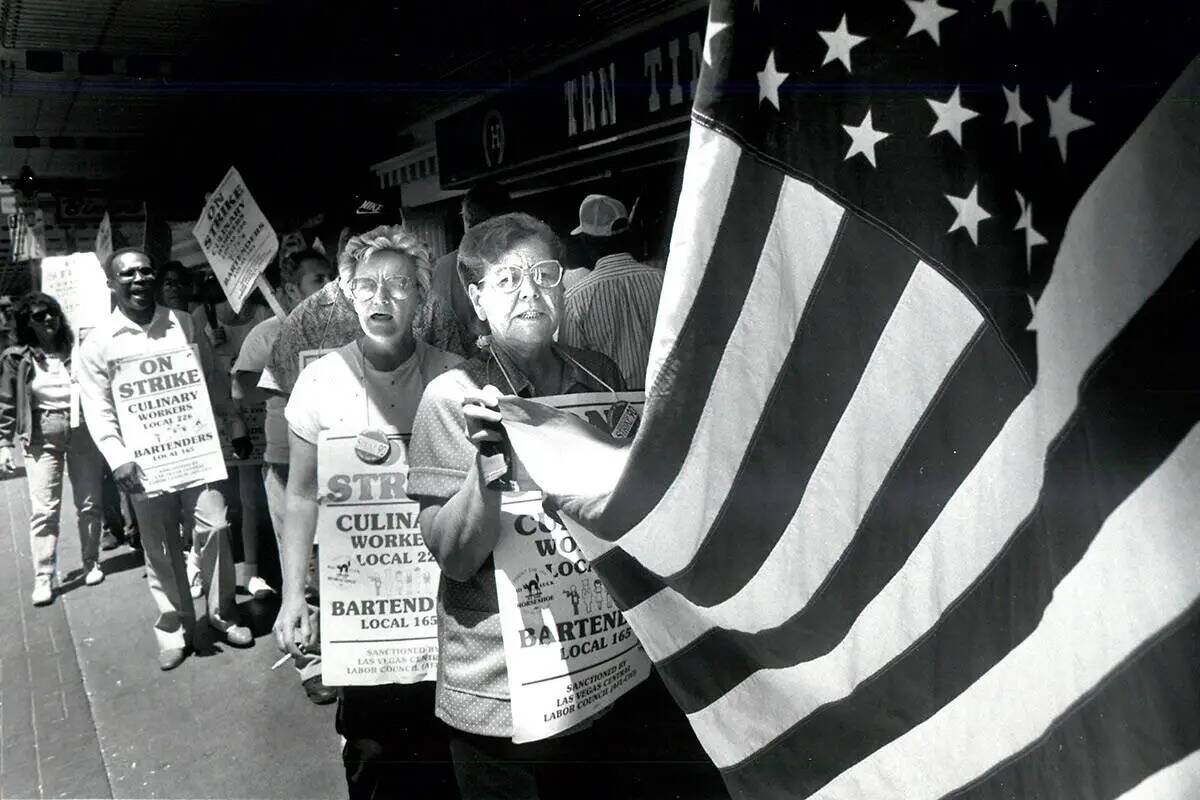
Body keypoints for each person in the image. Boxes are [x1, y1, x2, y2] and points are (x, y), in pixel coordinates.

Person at [408, 212, 627, 798]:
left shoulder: (599, 380)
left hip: (601, 669)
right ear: (477, 300)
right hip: (502, 693)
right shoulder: (453, 398)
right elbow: (453, 558)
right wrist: (485, 470)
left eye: (543, 275)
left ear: (563, 286)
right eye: (507, 280)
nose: (529, 291)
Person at [272, 226, 460, 797]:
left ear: (423, 298)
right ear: (348, 293)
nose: (381, 298)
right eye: (367, 284)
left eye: (399, 285)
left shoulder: (454, 376)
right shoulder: (319, 384)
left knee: (448, 758)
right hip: (365, 619)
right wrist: (292, 596)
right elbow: (301, 495)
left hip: (450, 613)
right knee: (375, 759)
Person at [77, 248, 252, 670]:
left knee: (216, 526)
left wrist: (235, 426)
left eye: (145, 271)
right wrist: (118, 458)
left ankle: (222, 612)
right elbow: (97, 407)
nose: (139, 279)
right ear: (111, 284)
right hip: (142, 462)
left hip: (194, 453)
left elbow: (211, 383)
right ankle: (175, 628)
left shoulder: (184, 323)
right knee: (159, 547)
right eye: (128, 274)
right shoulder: (98, 341)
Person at [234, 248, 337, 703]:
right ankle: (312, 660)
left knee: (344, 555)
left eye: (331, 275)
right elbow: (239, 388)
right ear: (292, 288)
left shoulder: (345, 327)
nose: (329, 284)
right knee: (304, 560)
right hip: (287, 460)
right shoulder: (268, 331)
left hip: (342, 457)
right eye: (318, 279)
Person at [0, 292, 107, 605]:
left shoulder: (78, 349)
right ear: (27, 322)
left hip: (82, 430)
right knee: (45, 510)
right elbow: (6, 402)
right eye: (38, 315)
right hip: (40, 435)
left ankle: (91, 561)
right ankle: (44, 575)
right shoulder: (16, 358)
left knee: (89, 502)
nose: (48, 319)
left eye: (52, 313)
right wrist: (4, 443)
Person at [558, 194, 664, 390]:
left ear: (586, 241)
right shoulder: (664, 280)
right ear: (627, 233)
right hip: (666, 400)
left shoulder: (575, 299)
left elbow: (574, 368)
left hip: (613, 410)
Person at [429, 181, 512, 355]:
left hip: (453, 370)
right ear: (508, 219)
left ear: (466, 220)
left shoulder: (440, 268)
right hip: (511, 371)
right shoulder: (519, 263)